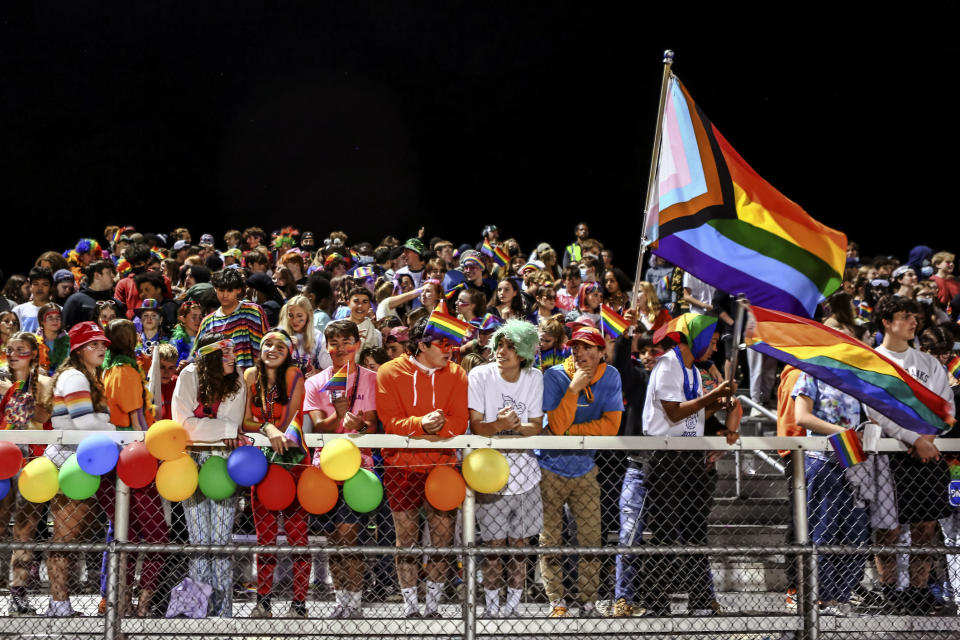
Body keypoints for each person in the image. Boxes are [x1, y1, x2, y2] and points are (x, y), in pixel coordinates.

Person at [642, 314, 740, 616]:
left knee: (696, 530)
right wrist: (714, 394)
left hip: (690, 456)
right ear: (695, 340)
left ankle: (699, 601)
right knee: (665, 531)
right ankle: (657, 603)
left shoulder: (693, 371)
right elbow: (673, 413)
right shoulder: (668, 364)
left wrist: (719, 403)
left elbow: (695, 416)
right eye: (710, 343)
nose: (713, 350)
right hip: (664, 457)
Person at [376, 316, 469, 618]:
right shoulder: (389, 372)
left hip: (442, 467)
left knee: (443, 537)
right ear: (422, 344)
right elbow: (390, 423)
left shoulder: (457, 373)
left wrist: (426, 429)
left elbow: (459, 423)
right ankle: (410, 607)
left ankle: (432, 606)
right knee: (406, 538)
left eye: (453, 344)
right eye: (444, 344)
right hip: (400, 466)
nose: (451, 350)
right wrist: (422, 424)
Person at [867, 295, 956, 615]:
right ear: (886, 322)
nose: (913, 321)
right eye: (904, 316)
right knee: (887, 528)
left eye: (914, 316)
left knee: (926, 527)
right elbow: (876, 409)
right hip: (889, 457)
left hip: (928, 454)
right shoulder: (874, 360)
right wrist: (912, 438)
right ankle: (890, 591)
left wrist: (927, 438)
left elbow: (944, 407)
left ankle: (918, 592)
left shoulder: (928, 362)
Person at [538, 326, 622, 618]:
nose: (580, 352)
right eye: (576, 347)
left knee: (591, 538)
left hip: (585, 468)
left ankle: (588, 602)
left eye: (588, 347)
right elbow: (555, 427)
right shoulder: (555, 375)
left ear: (602, 353)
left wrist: (574, 432)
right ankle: (556, 602)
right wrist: (573, 390)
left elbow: (611, 428)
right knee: (551, 539)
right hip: (549, 467)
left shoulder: (611, 376)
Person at [467, 320, 544, 618]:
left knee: (520, 547)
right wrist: (501, 426)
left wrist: (503, 429)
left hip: (526, 475)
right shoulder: (479, 374)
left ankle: (511, 608)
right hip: (489, 474)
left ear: (523, 353)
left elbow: (535, 427)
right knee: (493, 546)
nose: (502, 350)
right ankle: (490, 607)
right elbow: (476, 426)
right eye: (500, 344)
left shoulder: (535, 377)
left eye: (511, 347)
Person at [305, 320, 379, 618]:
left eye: (346, 342)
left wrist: (359, 423)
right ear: (326, 346)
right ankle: (341, 600)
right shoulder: (314, 382)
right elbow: (314, 427)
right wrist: (336, 415)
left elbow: (372, 422)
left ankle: (355, 603)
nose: (339, 349)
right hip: (324, 468)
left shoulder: (371, 378)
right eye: (332, 343)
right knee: (333, 538)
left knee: (350, 535)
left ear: (357, 345)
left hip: (358, 467)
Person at [172, 333, 247, 618]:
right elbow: (183, 425)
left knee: (221, 540)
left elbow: (234, 423)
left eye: (233, 352)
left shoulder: (237, 379)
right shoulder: (189, 375)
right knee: (200, 541)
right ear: (211, 356)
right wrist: (224, 429)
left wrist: (223, 429)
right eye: (226, 353)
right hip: (191, 461)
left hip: (222, 462)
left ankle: (223, 614)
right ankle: (199, 613)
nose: (233, 357)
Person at [46, 321, 115, 617]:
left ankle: (59, 603)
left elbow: (89, 423)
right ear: (77, 349)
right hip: (70, 461)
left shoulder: (88, 376)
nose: (100, 348)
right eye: (93, 344)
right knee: (65, 536)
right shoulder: (75, 377)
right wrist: (113, 428)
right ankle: (59, 605)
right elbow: (84, 423)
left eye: (102, 344)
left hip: (82, 461)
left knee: (70, 535)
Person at [240, 329, 309, 619]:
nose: (272, 349)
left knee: (297, 535)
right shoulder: (250, 377)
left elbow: (292, 419)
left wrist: (269, 426)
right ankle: (264, 601)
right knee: (264, 535)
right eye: (267, 343)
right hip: (262, 462)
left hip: (292, 459)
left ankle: (299, 603)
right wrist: (267, 428)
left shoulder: (294, 375)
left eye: (279, 345)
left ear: (289, 351)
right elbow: (245, 420)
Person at [102, 319, 169, 616]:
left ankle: (121, 602)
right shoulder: (126, 372)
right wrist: (153, 452)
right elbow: (137, 421)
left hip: (111, 461)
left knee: (124, 535)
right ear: (129, 339)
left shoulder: (106, 370)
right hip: (133, 461)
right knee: (157, 535)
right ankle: (140, 603)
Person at [792, 365, 869, 616]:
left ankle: (842, 596)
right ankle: (823, 599)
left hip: (855, 462)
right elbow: (801, 416)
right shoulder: (812, 372)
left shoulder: (859, 375)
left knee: (856, 536)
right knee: (822, 533)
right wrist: (845, 434)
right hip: (823, 460)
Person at [0, 332, 52, 616]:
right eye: (9, 349)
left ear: (33, 353)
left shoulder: (44, 382)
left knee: (24, 531)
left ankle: (17, 592)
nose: (13, 353)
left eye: (20, 349)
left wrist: (27, 396)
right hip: (1, 458)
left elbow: (45, 418)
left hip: (31, 460)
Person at [192, 269, 269, 371]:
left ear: (239, 290)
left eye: (229, 290)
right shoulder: (208, 322)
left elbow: (265, 344)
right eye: (221, 290)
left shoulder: (253, 312)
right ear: (215, 289)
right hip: (218, 381)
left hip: (251, 379)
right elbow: (199, 355)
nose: (225, 295)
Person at [61, 260, 119, 330]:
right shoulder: (75, 301)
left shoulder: (117, 303)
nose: (113, 276)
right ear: (97, 275)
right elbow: (66, 332)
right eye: (109, 273)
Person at [278, 294, 320, 375]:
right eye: (291, 315)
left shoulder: (318, 337)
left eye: (299, 316)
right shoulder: (278, 333)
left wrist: (317, 372)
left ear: (309, 315)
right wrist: (284, 345)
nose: (295, 320)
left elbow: (328, 368)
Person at [13, 266, 54, 334]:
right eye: (35, 284)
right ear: (30, 285)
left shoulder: (59, 310)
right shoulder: (18, 310)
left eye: (45, 284)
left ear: (51, 287)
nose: (40, 288)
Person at [35, 303, 69, 376]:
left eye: (58, 317)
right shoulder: (33, 341)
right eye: (50, 317)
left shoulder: (68, 341)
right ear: (41, 321)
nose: (55, 321)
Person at [170, 301, 203, 366]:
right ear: (183, 319)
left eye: (200, 317)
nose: (198, 320)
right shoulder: (174, 342)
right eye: (194, 317)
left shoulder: (204, 338)